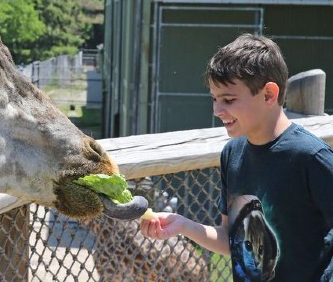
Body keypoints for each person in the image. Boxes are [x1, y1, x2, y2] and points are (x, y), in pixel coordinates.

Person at [139, 34, 333, 281]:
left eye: (228, 100)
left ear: (268, 95)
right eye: (214, 99)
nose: (217, 111)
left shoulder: (312, 157)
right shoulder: (232, 154)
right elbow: (231, 240)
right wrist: (183, 225)